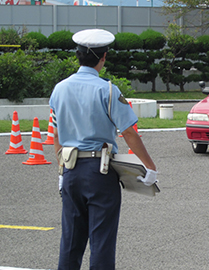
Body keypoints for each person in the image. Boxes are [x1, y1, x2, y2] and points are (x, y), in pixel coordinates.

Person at [50, 29, 158, 270]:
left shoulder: (59, 89)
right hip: (100, 171)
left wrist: (61, 170)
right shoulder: (108, 90)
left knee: (70, 241)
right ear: (104, 57)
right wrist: (149, 167)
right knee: (101, 242)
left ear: (77, 55)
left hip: (70, 170)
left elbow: (55, 133)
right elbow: (129, 132)